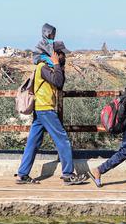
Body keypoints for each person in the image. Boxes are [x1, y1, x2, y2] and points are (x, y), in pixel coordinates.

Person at [14, 24, 88, 185]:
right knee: (63, 140)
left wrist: (58, 66)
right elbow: (59, 82)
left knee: (33, 142)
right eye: (61, 54)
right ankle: (68, 174)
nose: (64, 57)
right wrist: (56, 64)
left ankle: (22, 174)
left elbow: (60, 80)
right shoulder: (43, 67)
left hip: (41, 110)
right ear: (54, 54)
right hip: (46, 108)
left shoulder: (47, 67)